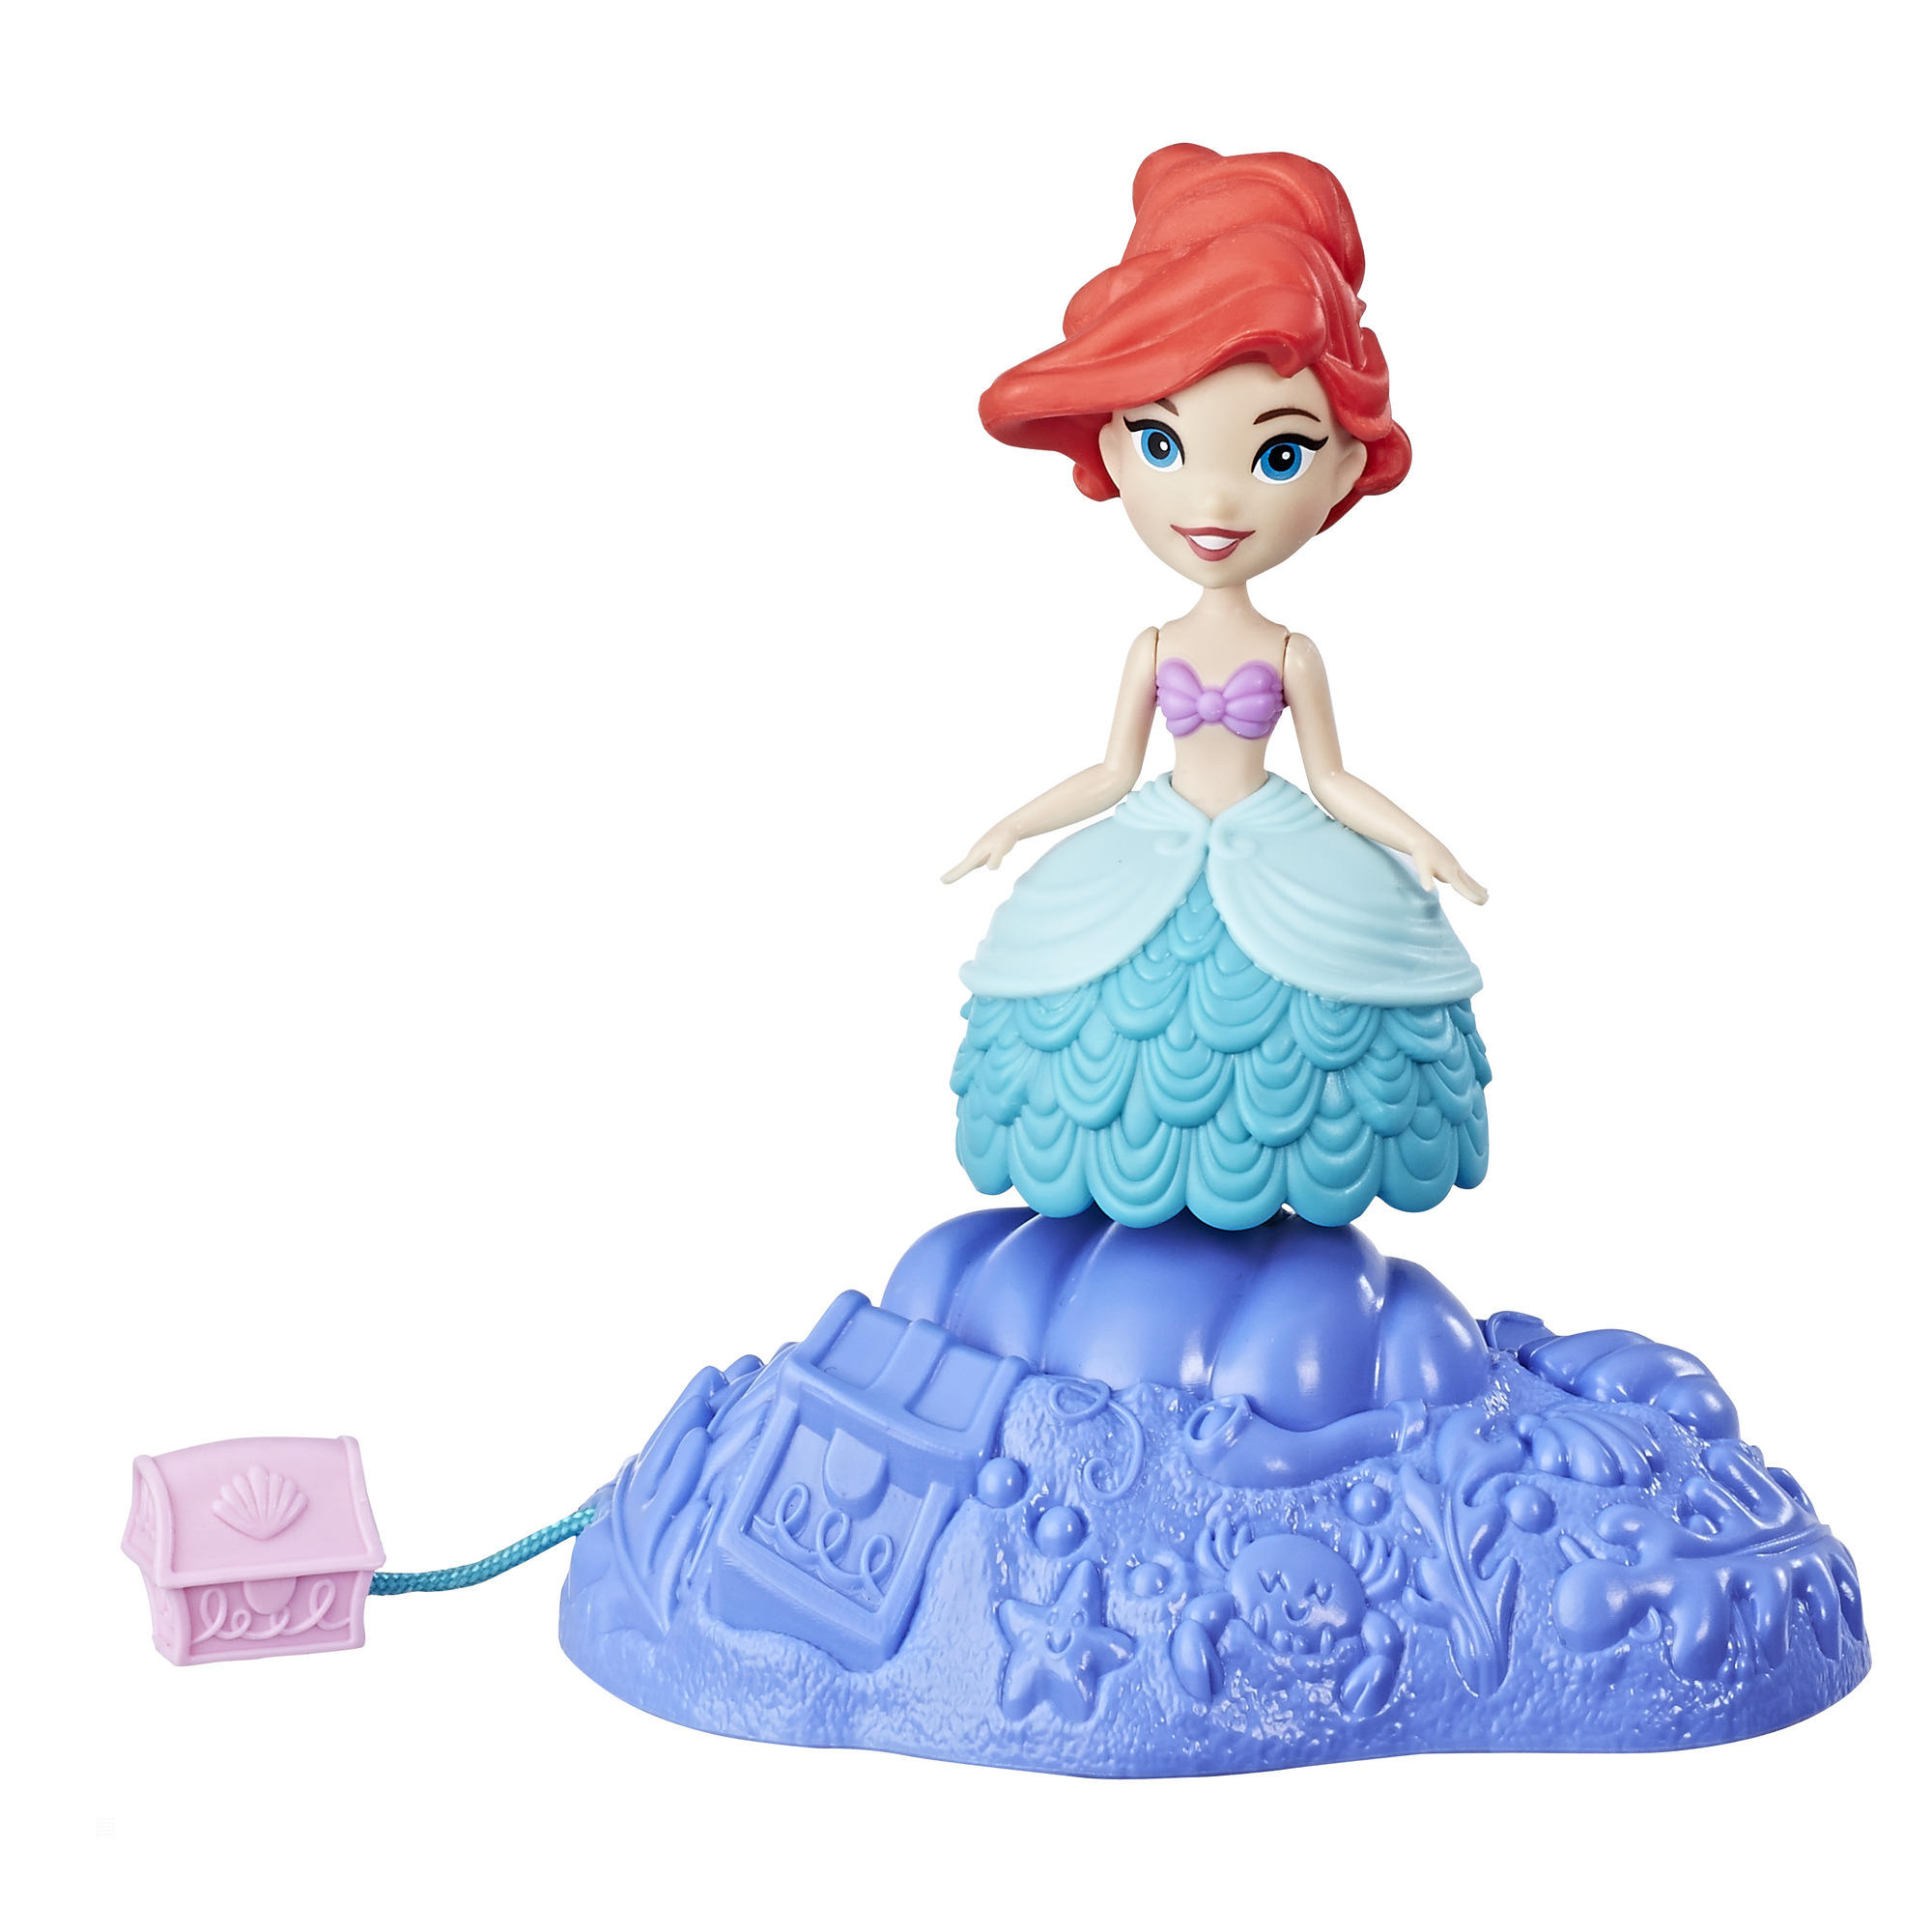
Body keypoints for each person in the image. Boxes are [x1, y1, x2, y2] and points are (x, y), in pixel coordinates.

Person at [946, 144, 1489, 1231]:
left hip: (1280, 854)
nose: (1213, 501)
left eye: (1278, 456)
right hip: (1145, 850)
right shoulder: (1153, 646)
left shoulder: (1291, 654)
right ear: (1112, 448)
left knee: (1325, 1032)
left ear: (1346, 465)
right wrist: (1011, 825)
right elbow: (1112, 770)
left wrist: (1419, 841)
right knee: (1093, 1024)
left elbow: (1331, 777)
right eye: (1162, 442)